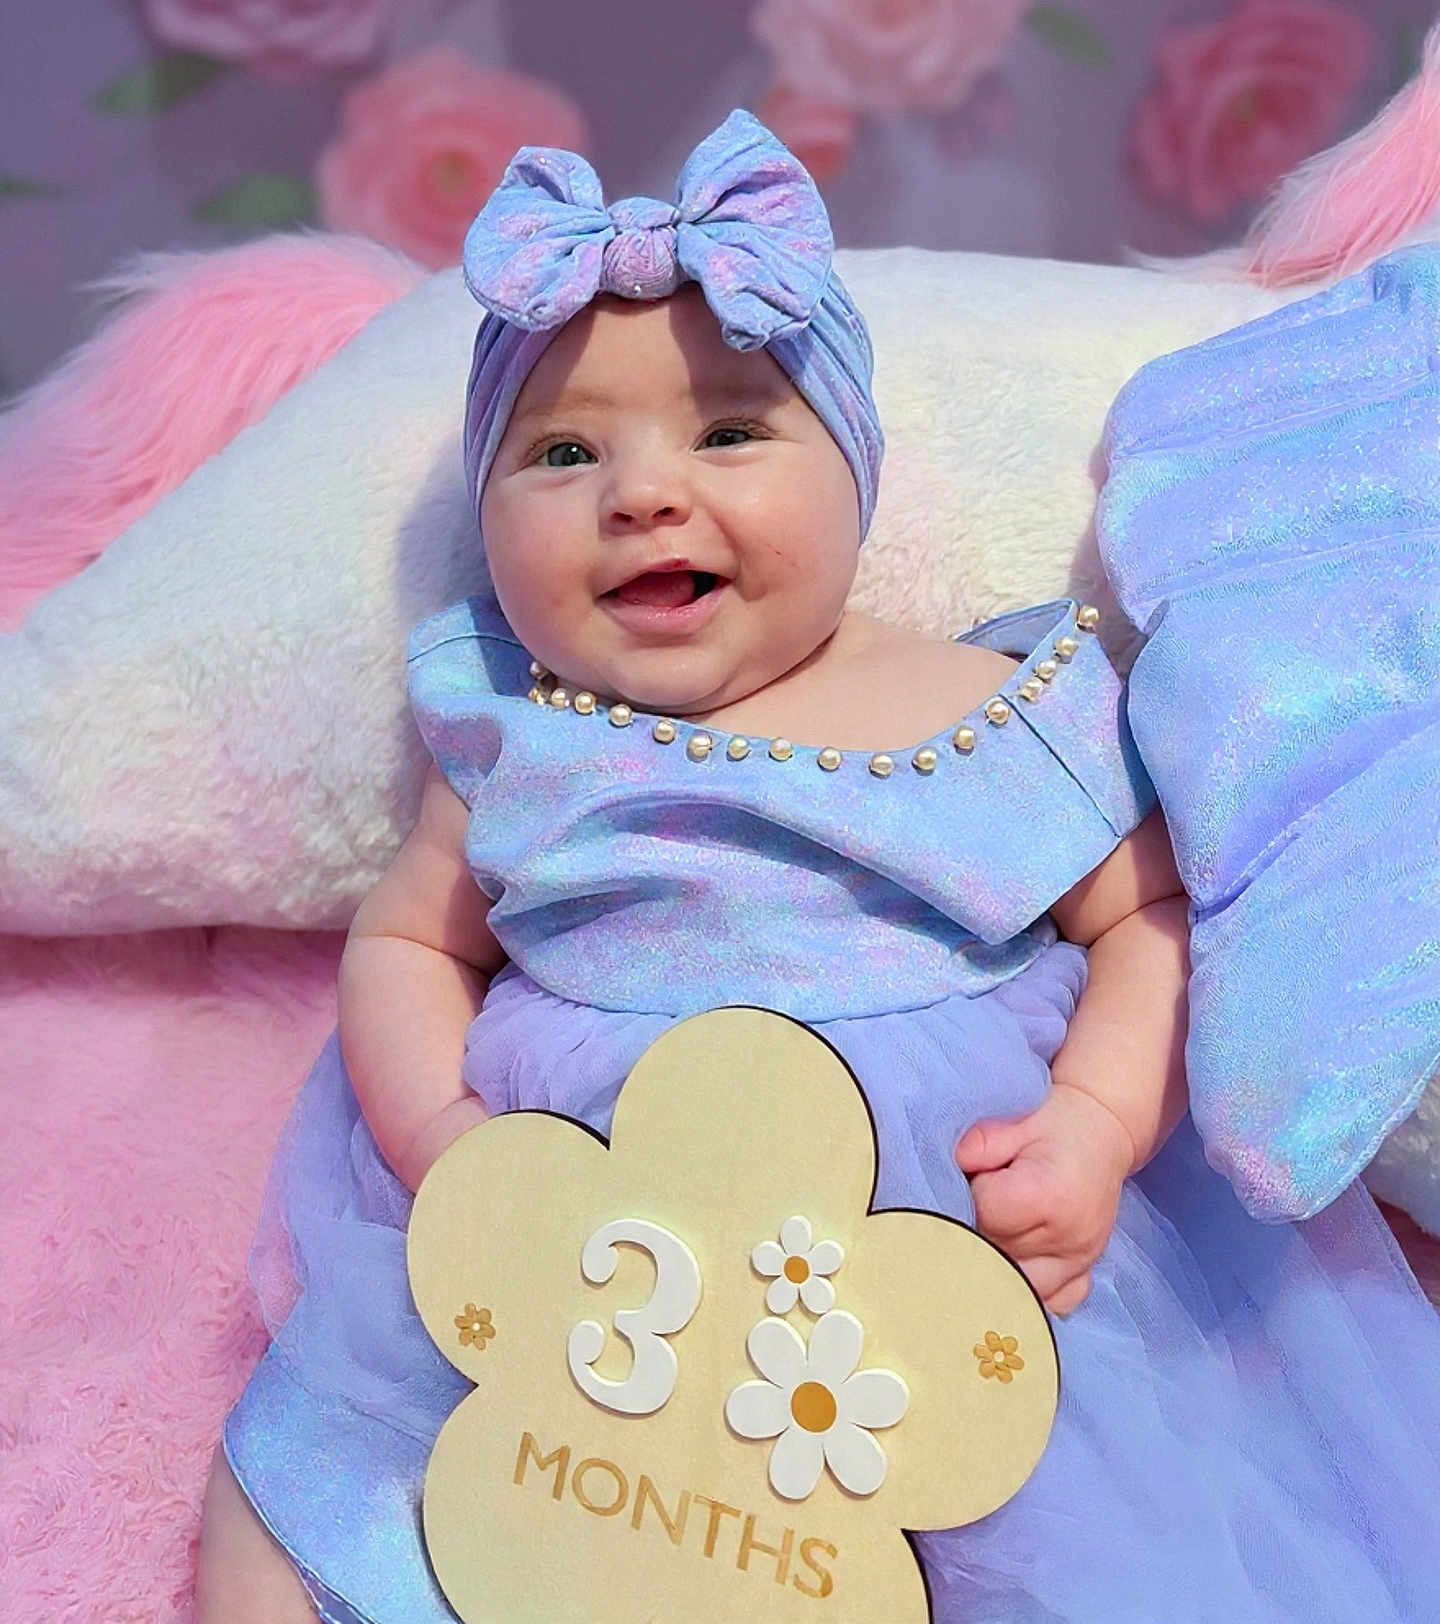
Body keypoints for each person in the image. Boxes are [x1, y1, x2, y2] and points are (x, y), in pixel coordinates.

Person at [195, 112, 1440, 1624]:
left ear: (858, 471)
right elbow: (409, 946)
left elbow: (1155, 922)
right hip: (596, 1256)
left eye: (728, 431)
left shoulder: (996, 706)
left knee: (1035, 1535)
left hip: (935, 1263)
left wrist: (1098, 1126)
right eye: (564, 452)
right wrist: (447, 1137)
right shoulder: (518, 732)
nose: (643, 494)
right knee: (312, 1507)